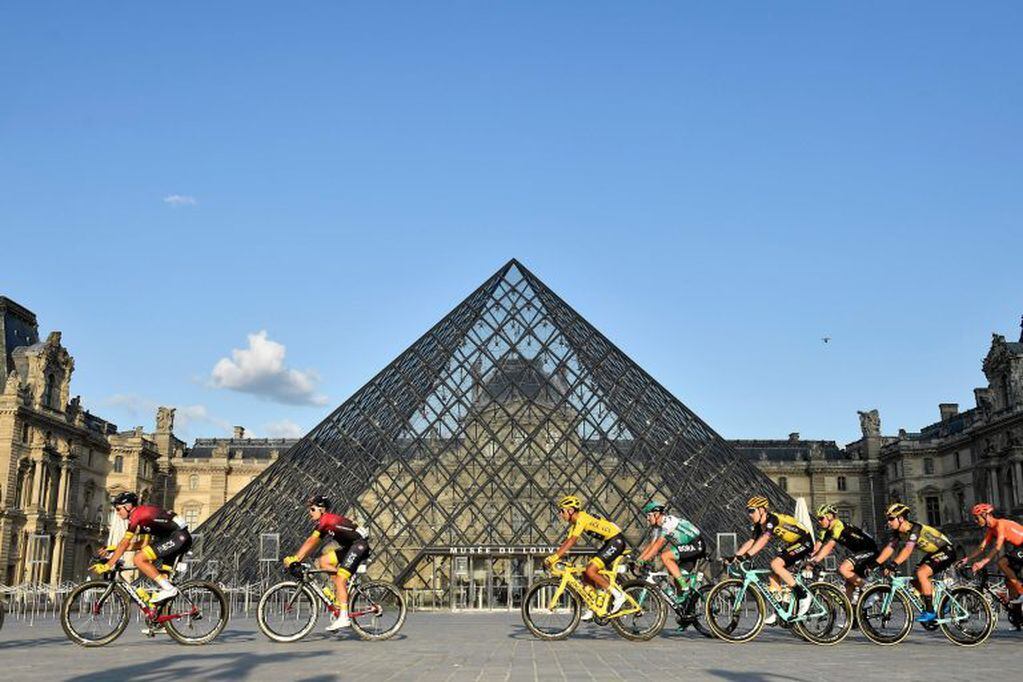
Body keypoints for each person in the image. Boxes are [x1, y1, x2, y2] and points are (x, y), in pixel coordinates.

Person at [283, 495, 370, 632]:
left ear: (322, 510)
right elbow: (311, 545)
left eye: (312, 509)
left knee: (341, 578)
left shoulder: (326, 520)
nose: (310, 513)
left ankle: (344, 617)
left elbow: (311, 542)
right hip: (349, 548)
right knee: (323, 561)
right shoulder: (324, 524)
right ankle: (339, 597)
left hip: (359, 546)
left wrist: (295, 558)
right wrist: (298, 558)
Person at [93, 492, 191, 604]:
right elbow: (142, 544)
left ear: (128, 506)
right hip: (175, 538)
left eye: (118, 509)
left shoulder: (136, 515)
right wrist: (113, 548)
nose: (117, 513)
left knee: (139, 559)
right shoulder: (143, 517)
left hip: (178, 537)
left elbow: (124, 543)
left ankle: (170, 590)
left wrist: (108, 564)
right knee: (162, 580)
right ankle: (160, 614)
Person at [732, 495, 814, 622]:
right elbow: (751, 541)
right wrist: (736, 556)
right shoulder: (759, 525)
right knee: (773, 574)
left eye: (752, 511)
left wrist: (747, 555)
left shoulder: (772, 519)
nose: (749, 514)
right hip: (793, 544)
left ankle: (803, 595)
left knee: (776, 564)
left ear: (762, 510)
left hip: (804, 542)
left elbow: (764, 539)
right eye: (748, 511)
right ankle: (779, 611)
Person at [546, 495, 627, 621]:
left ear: (571, 510)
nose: (560, 514)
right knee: (586, 572)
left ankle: (619, 595)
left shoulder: (581, 519)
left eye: (562, 511)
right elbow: (567, 541)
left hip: (616, 541)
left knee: (590, 570)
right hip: (609, 542)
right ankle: (593, 605)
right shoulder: (576, 522)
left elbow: (572, 541)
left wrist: (555, 557)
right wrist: (555, 556)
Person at [874, 502, 956, 623]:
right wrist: (875, 564)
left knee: (922, 573)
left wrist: (893, 564)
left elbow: (908, 550)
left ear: (901, 518)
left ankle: (930, 611)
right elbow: (890, 548)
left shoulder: (914, 529)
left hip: (946, 550)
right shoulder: (899, 532)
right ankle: (940, 602)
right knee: (914, 578)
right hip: (934, 553)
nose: (889, 522)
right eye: (888, 519)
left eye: (891, 519)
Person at [807, 504, 879, 601]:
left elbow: (829, 546)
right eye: (818, 519)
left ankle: (869, 590)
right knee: (848, 588)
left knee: (843, 569)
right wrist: (808, 559)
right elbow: (817, 546)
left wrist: (814, 562)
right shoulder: (825, 530)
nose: (819, 521)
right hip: (859, 552)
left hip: (869, 550)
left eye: (821, 518)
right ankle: (851, 613)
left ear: (830, 517)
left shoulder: (838, 525)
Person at [634, 501, 706, 595]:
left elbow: (657, 546)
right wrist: (638, 560)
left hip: (696, 544)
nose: (647, 519)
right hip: (688, 548)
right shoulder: (657, 528)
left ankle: (685, 586)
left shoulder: (668, 521)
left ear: (656, 514)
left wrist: (642, 561)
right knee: (677, 578)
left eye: (649, 515)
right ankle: (683, 602)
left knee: (665, 556)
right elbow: (651, 545)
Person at [957, 502, 1023, 604]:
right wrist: (966, 559)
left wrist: (982, 562)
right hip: (1018, 548)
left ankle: (1021, 592)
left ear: (985, 515)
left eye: (977, 518)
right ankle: (1017, 613)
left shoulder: (1000, 524)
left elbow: (997, 547)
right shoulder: (991, 530)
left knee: (1002, 563)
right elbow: (981, 548)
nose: (975, 521)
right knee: (1009, 582)